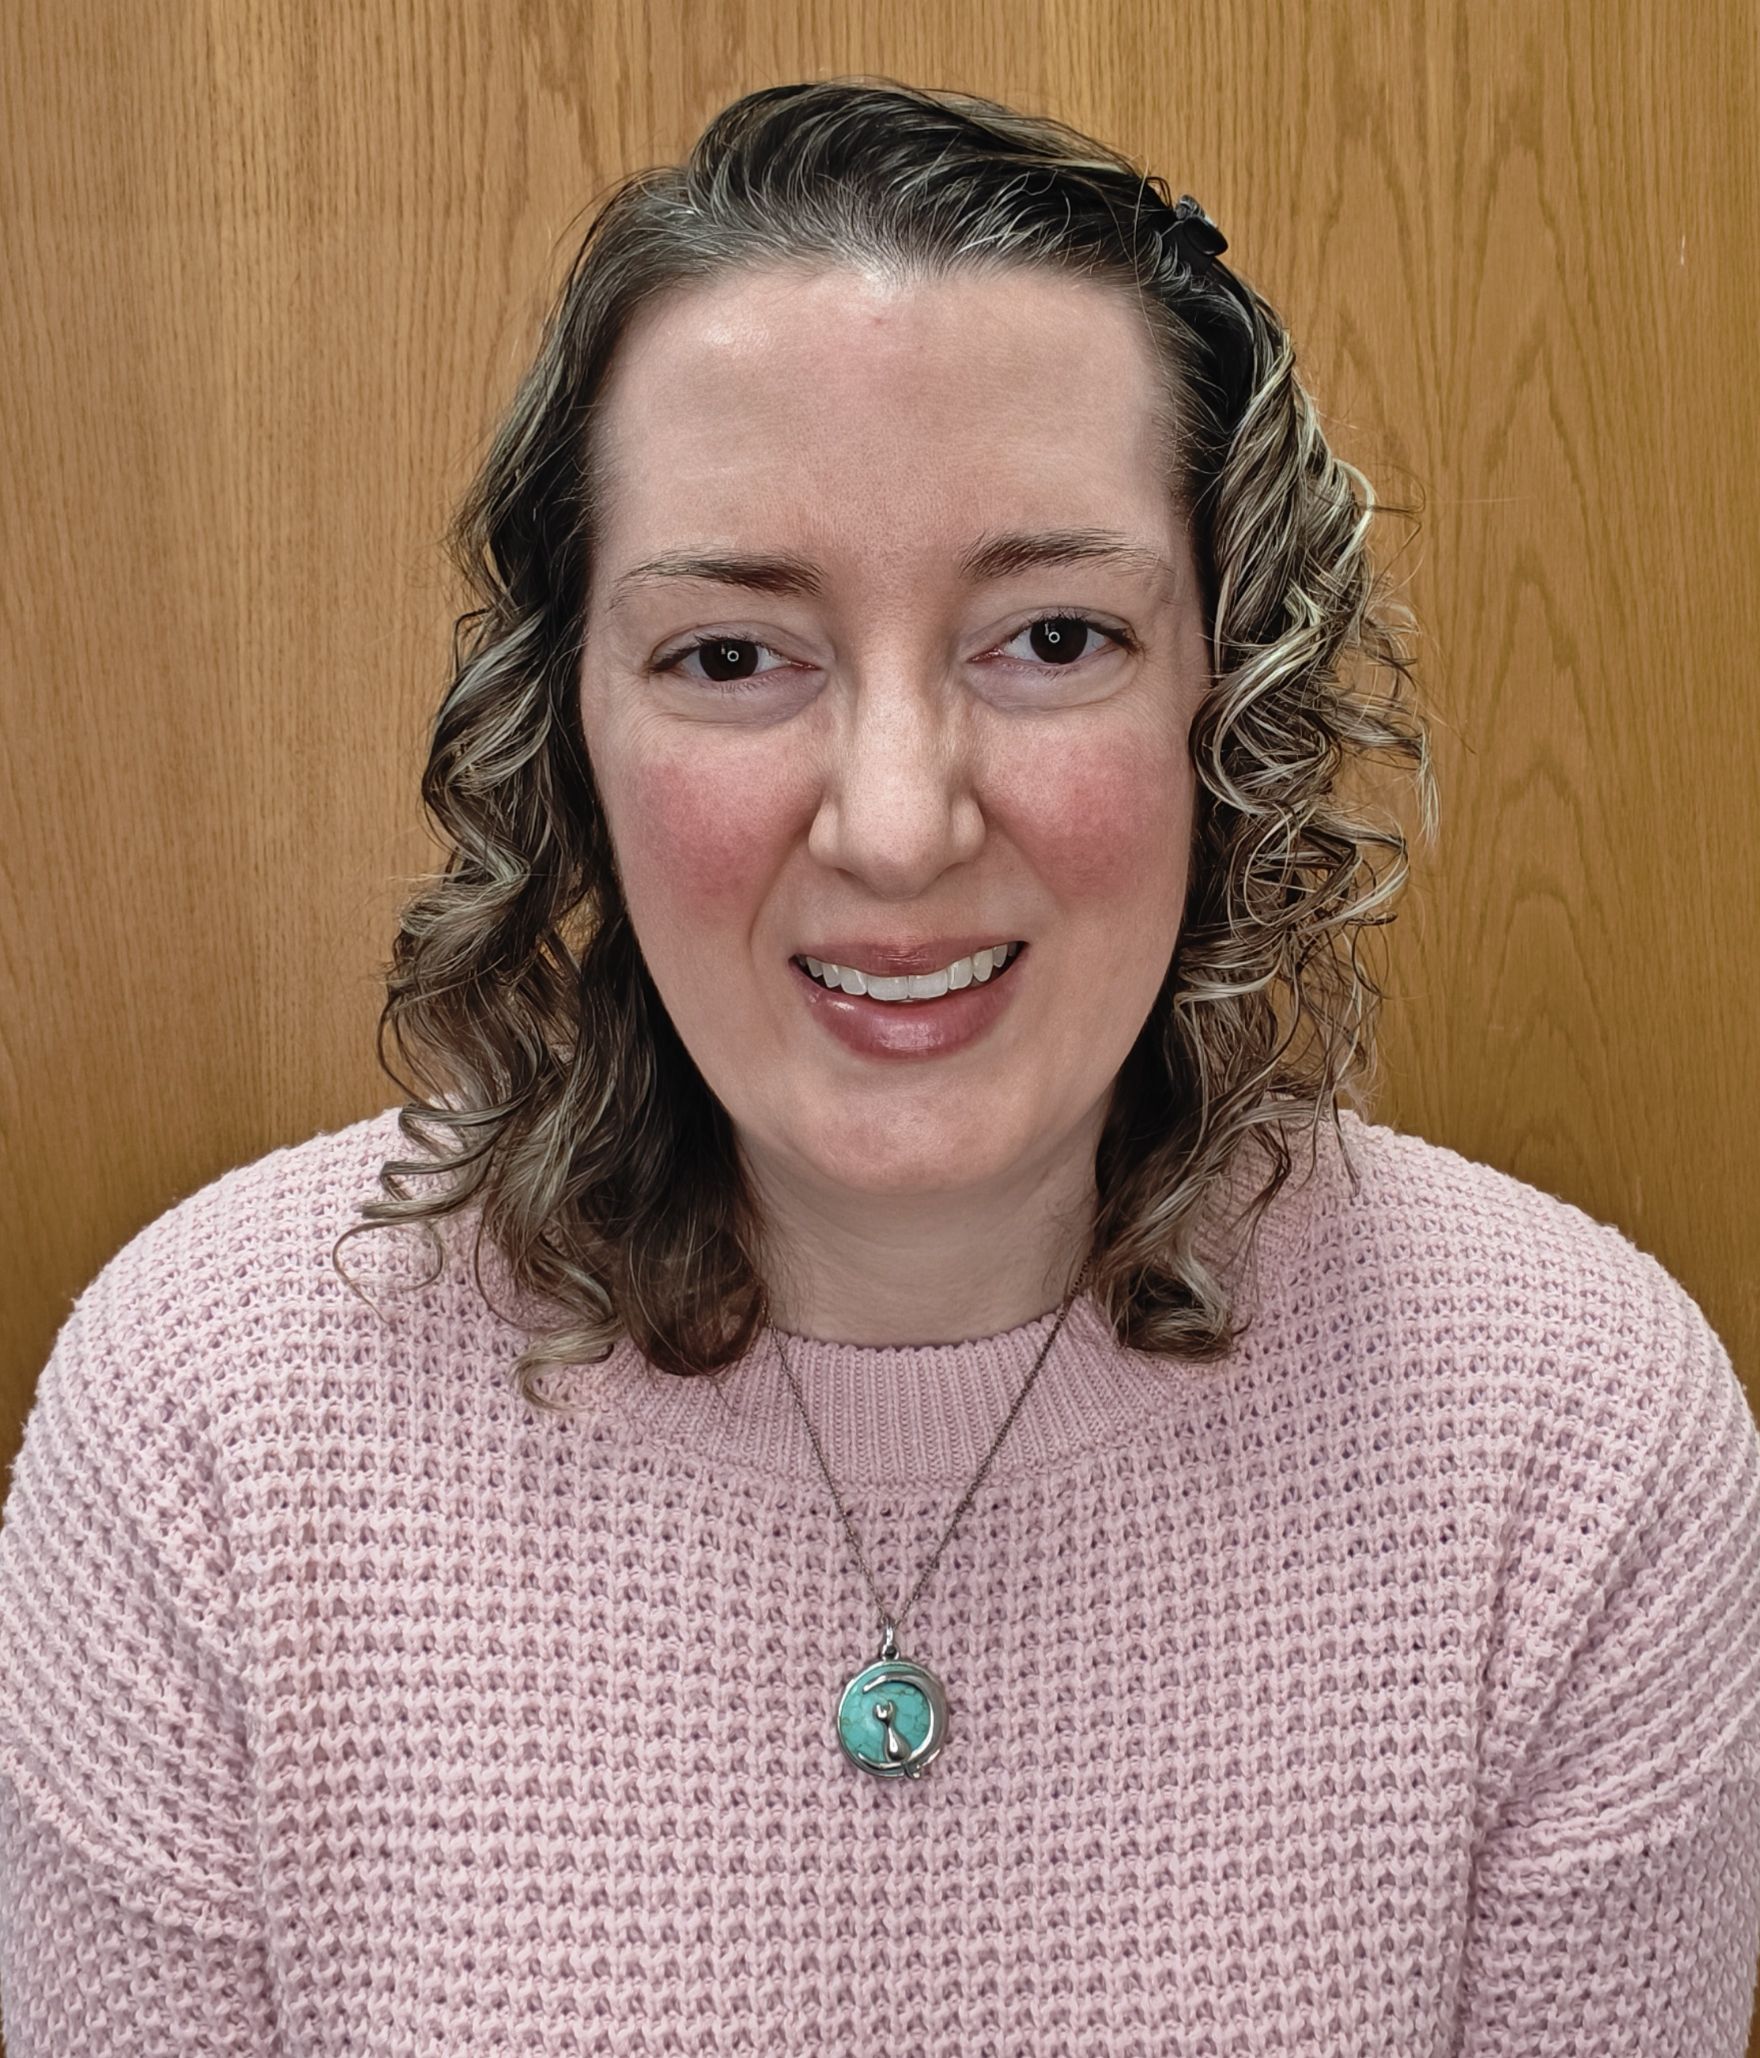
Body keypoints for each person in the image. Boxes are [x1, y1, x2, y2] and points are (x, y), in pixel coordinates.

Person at [2, 74, 1756, 2055]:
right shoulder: (205, 1420)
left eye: (1053, 636)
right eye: (735, 657)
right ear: (566, 728)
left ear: (1227, 694)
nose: (900, 825)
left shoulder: (1573, 1434)